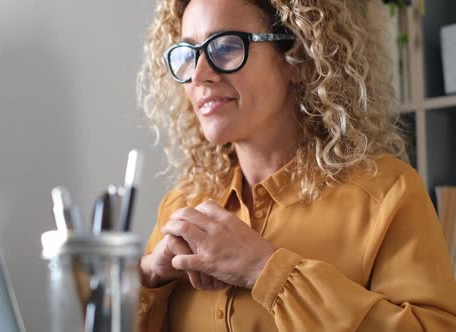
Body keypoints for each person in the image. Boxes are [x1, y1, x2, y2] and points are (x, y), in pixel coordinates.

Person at [135, 0, 456, 331]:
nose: (199, 75)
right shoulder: (181, 206)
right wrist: (149, 276)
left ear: (298, 57)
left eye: (226, 46)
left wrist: (264, 269)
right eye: (188, 54)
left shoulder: (387, 193)